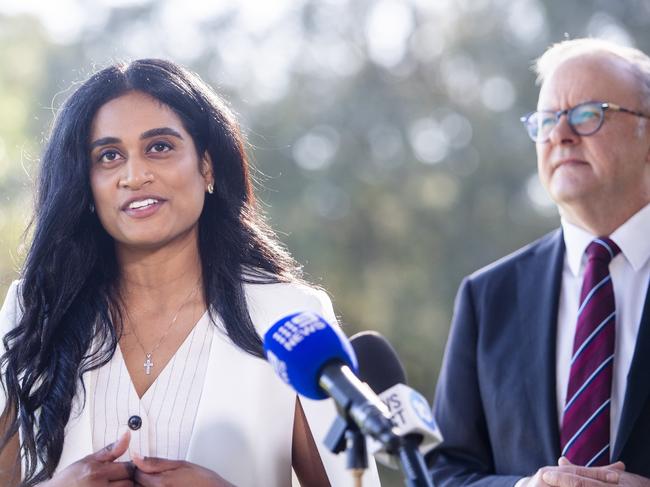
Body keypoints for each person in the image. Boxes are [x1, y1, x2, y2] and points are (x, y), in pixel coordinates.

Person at [0, 59, 380, 487]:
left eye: (159, 147)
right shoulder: (33, 311)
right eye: (109, 156)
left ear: (207, 166)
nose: (135, 175)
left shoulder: (290, 318)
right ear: (85, 185)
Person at [427, 38, 650, 487]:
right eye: (547, 120)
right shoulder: (488, 296)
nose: (561, 134)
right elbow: (440, 472)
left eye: (590, 114)